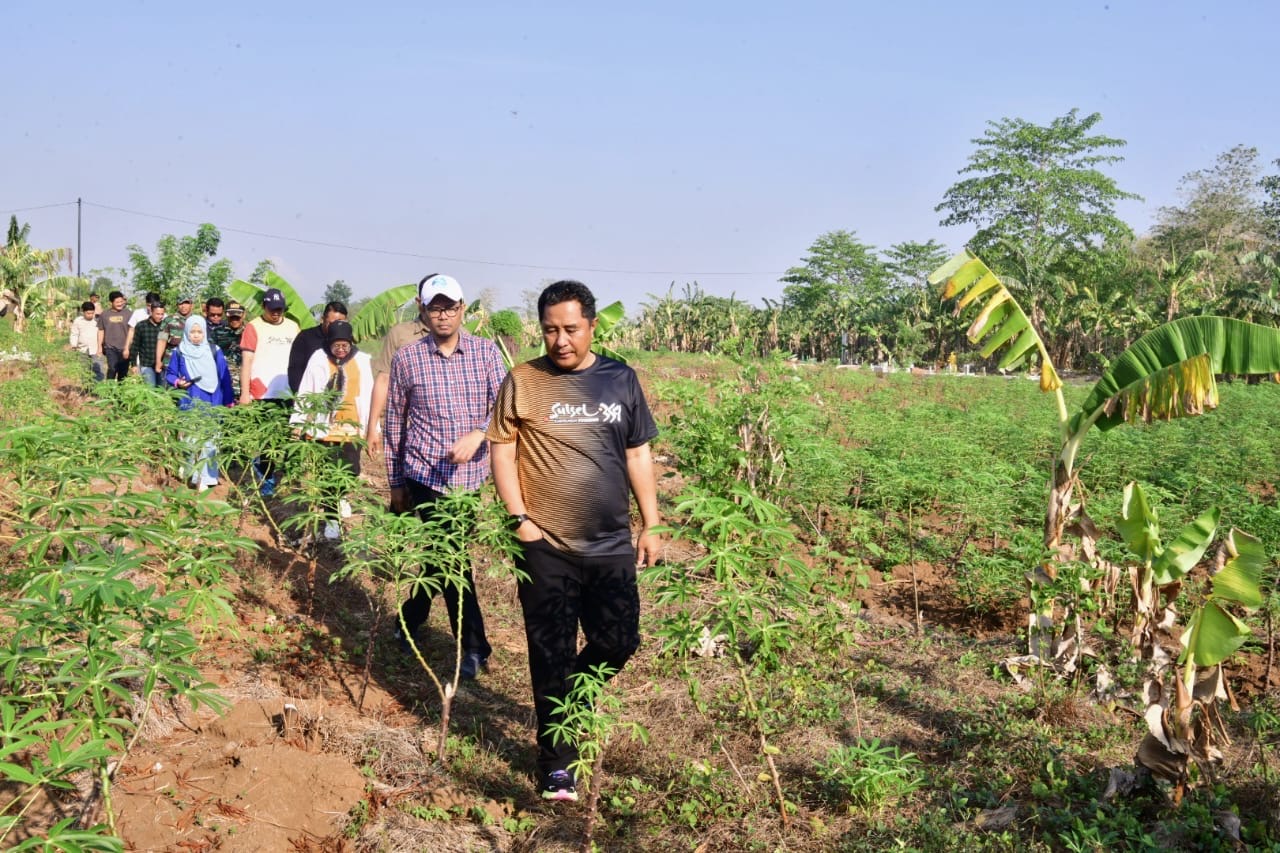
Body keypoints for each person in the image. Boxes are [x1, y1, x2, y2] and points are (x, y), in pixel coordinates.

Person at [487, 280, 662, 802]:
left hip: (609, 542)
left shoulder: (619, 379)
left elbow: (637, 455)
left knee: (619, 640)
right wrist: (519, 519)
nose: (560, 340)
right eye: (549, 330)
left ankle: (569, 706)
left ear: (591, 325)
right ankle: (557, 763)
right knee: (551, 652)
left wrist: (651, 523)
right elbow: (502, 449)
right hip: (545, 544)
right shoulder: (524, 380)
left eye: (570, 329)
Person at [385, 274, 506, 680]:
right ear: (422, 310)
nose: (443, 315)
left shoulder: (487, 354)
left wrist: (479, 433)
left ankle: (408, 619)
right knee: (452, 558)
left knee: (442, 558)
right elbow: (395, 424)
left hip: (470, 478)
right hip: (424, 475)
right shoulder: (408, 358)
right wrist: (396, 481)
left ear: (463, 309)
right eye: (435, 307)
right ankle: (474, 647)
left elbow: (508, 408)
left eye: (450, 307)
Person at [291, 320, 374, 540]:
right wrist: (298, 422)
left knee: (351, 470)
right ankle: (332, 519)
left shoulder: (362, 361)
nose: (340, 349)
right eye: (336, 345)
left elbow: (369, 394)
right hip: (325, 426)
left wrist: (374, 428)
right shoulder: (318, 358)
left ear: (351, 343)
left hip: (352, 425)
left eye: (344, 345)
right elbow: (306, 389)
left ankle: (342, 497)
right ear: (329, 343)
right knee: (329, 475)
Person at [364, 275, 443, 460]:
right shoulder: (401, 334)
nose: (440, 312)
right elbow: (383, 379)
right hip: (407, 425)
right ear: (419, 302)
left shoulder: (462, 336)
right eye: (433, 303)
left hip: (448, 429)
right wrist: (372, 427)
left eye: (446, 305)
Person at [239, 287, 300, 496]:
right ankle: (266, 485)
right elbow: (246, 361)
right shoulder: (253, 327)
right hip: (262, 393)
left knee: (286, 440)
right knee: (266, 442)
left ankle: (286, 482)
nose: (276, 313)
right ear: (263, 306)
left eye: (280, 309)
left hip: (287, 393)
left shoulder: (293, 327)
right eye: (272, 309)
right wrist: (245, 393)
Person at [165, 315, 236, 491]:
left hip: (213, 398)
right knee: (191, 437)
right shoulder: (180, 351)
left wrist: (228, 399)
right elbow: (170, 374)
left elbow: (224, 376)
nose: (196, 335)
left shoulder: (214, 350)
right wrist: (178, 382)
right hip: (190, 398)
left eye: (199, 332)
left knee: (211, 437)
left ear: (205, 332)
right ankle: (192, 474)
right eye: (192, 332)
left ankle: (208, 477)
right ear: (187, 332)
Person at [288, 300, 348, 394]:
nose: (336, 327)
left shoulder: (346, 342)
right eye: (332, 323)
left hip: (337, 397)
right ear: (322, 319)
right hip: (310, 396)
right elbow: (295, 370)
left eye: (340, 323)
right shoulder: (305, 338)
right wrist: (301, 398)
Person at [124, 301, 167, 386]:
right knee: (150, 389)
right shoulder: (141, 326)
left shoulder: (165, 326)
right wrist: (134, 364)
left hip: (162, 364)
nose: (160, 316)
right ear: (151, 312)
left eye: (162, 314)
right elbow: (135, 345)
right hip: (147, 364)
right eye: (157, 314)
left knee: (162, 391)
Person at [211, 300, 246, 397]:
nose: (234, 320)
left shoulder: (249, 332)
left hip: (245, 383)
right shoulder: (217, 332)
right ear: (227, 315)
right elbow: (210, 355)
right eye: (232, 317)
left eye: (237, 317)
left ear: (243, 315)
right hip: (224, 380)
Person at [156, 294, 196, 371]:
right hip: (171, 361)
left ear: (191, 305)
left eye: (186, 303)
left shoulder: (196, 320)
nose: (183, 306)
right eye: (180, 303)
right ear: (177, 305)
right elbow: (161, 341)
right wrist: (158, 361)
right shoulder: (169, 320)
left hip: (191, 362)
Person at [97, 291, 131, 381]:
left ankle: (120, 393)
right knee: (112, 369)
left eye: (121, 302)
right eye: (117, 302)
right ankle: (109, 391)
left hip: (125, 348)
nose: (120, 304)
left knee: (123, 372)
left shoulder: (128, 313)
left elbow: (132, 330)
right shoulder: (104, 314)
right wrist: (99, 346)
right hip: (110, 348)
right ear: (111, 302)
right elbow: (101, 330)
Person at [69, 301, 104, 381]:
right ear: (83, 312)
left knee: (97, 370)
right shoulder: (78, 321)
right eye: (88, 313)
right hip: (82, 349)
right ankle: (86, 390)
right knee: (84, 371)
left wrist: (100, 347)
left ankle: (97, 391)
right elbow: (74, 334)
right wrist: (74, 345)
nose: (90, 315)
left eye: (92, 313)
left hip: (96, 349)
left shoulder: (98, 320)